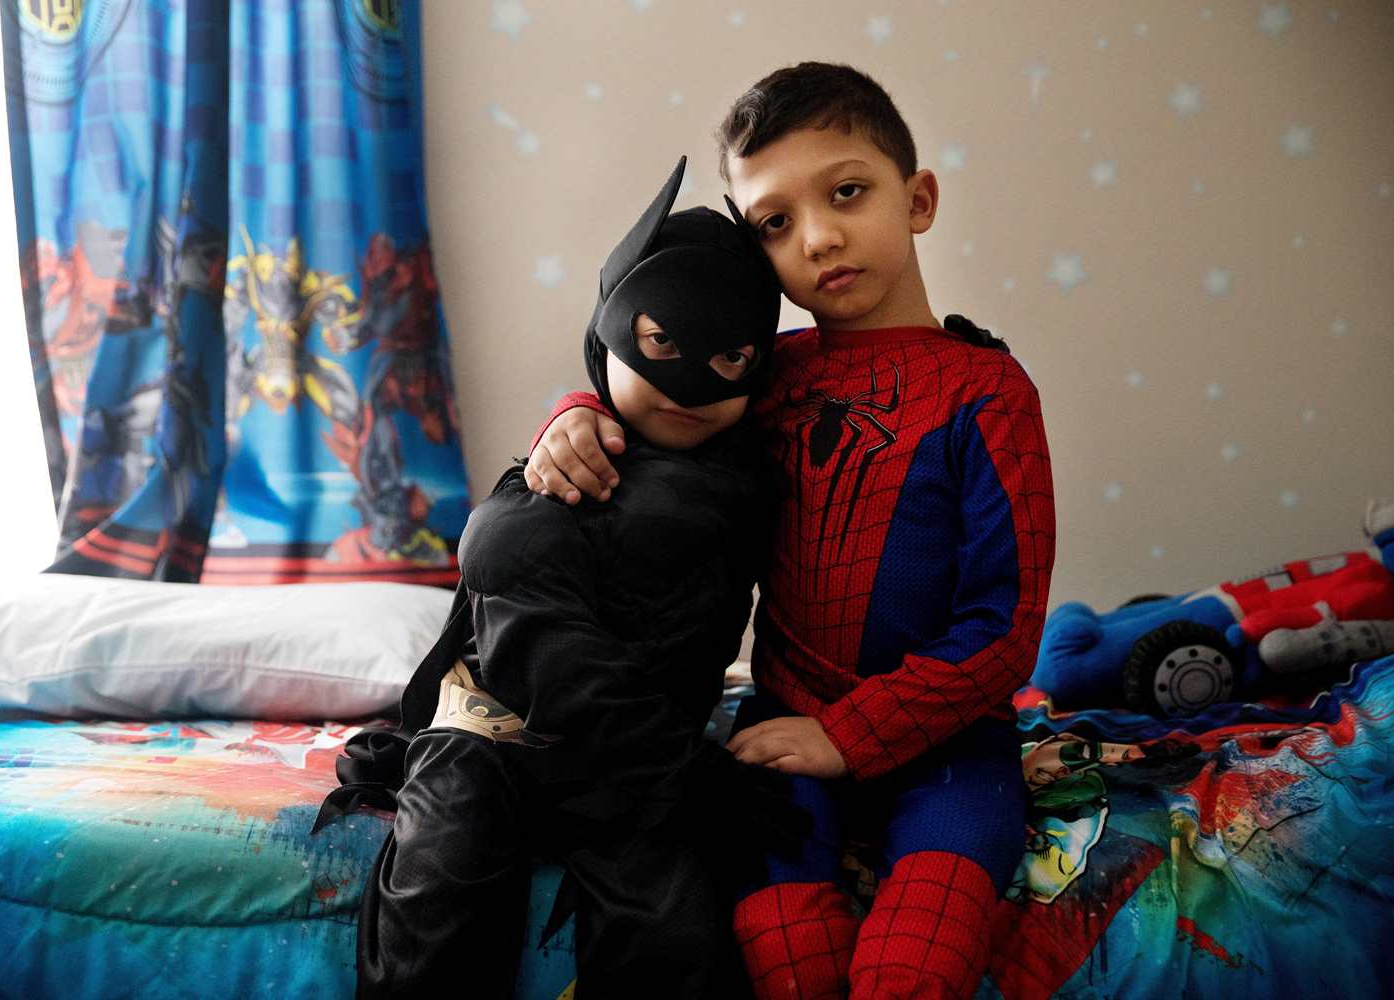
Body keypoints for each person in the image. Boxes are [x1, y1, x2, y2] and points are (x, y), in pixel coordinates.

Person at [526, 63, 1056, 1000]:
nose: (817, 238)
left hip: (953, 748)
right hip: (778, 732)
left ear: (918, 199)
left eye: (846, 192)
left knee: (914, 968)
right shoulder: (762, 375)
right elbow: (655, 403)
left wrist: (846, 735)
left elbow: (1004, 630)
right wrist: (575, 411)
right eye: (773, 222)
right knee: (786, 958)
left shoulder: (988, 392)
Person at [326, 158, 811, 1000]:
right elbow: (543, 651)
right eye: (661, 343)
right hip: (498, 738)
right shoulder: (551, 484)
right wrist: (692, 780)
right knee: (444, 877)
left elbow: (872, 395)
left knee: (677, 928)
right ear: (610, 334)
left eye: (731, 356)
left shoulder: (756, 469)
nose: (690, 381)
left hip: (638, 761)